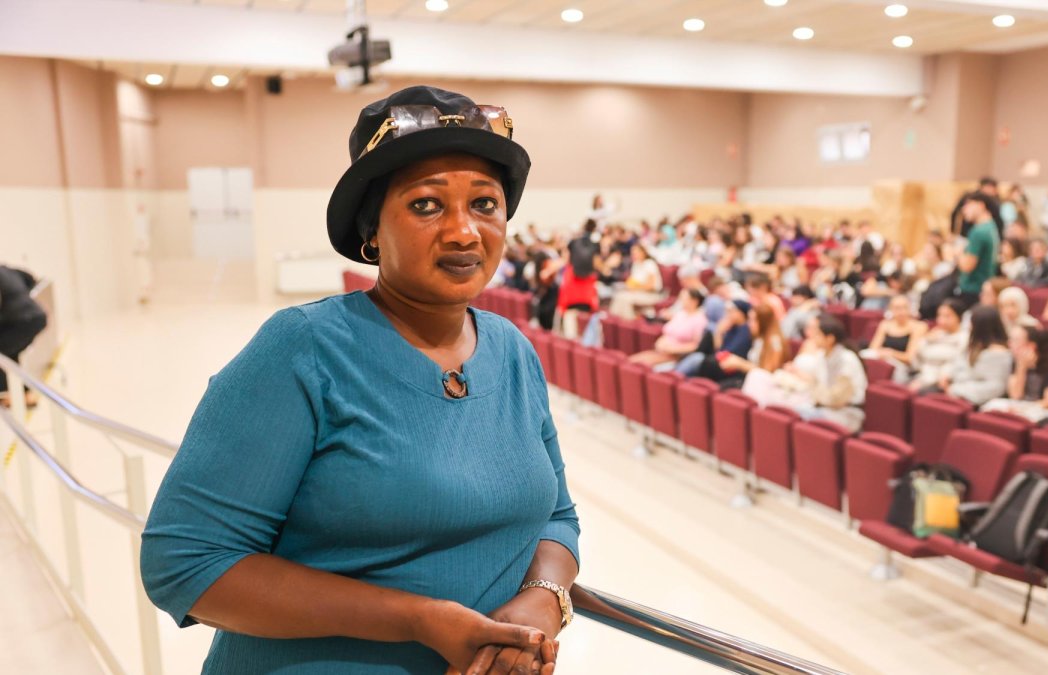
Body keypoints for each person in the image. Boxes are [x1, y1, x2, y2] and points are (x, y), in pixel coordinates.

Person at [141, 86, 580, 675]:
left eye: (485, 204)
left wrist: (543, 601)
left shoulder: (513, 352)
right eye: (426, 205)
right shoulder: (307, 348)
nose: (463, 231)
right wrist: (418, 619)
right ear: (371, 230)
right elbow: (186, 561)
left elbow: (557, 517)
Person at [741, 314, 868, 432]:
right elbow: (816, 384)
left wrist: (814, 391)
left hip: (846, 413)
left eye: (817, 334)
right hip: (824, 406)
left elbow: (836, 398)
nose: (812, 336)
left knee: (795, 415)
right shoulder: (823, 356)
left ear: (829, 339)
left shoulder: (846, 359)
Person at [696, 304, 788, 389]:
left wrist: (740, 364)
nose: (749, 324)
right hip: (747, 376)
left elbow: (767, 373)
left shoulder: (775, 341)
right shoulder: (759, 337)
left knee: (721, 388)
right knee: (709, 364)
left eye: (753, 320)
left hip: (760, 383)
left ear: (763, 322)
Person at [981, 325, 1048, 423]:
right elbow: (1016, 395)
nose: (1009, 344)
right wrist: (1021, 367)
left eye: (1015, 340)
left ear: (1031, 346)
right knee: (989, 407)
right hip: (1020, 405)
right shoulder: (1016, 361)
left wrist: (1023, 410)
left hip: (1038, 409)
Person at [935, 306, 1013, 406]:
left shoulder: (999, 354)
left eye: (971, 323)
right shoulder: (974, 343)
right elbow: (958, 362)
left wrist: (955, 389)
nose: (969, 326)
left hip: (975, 400)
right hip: (956, 388)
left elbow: (995, 388)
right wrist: (946, 375)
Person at [0, 265, 48, 408]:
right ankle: (24, 395)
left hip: (20, 321)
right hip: (36, 316)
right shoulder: (7, 270)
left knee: (2, 356)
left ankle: (9, 394)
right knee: (10, 354)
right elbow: (30, 279)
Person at [629, 288, 708, 368]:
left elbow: (696, 345)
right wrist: (660, 342)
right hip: (662, 352)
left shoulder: (700, 320)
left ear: (694, 301)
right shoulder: (681, 313)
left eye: (684, 298)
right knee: (631, 361)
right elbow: (668, 333)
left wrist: (673, 349)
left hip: (677, 357)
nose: (681, 301)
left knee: (639, 367)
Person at [861, 294, 927, 382]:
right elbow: (873, 348)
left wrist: (891, 353)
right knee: (864, 356)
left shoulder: (919, 326)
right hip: (882, 359)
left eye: (904, 307)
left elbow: (909, 357)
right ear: (891, 309)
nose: (901, 311)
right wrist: (884, 354)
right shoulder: (885, 324)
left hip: (903, 367)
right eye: (897, 308)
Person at [909, 299, 969, 390]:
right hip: (921, 374)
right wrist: (925, 340)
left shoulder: (964, 338)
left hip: (942, 381)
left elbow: (954, 363)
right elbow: (917, 356)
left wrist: (931, 351)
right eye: (939, 315)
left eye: (947, 316)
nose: (941, 320)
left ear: (959, 317)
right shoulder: (936, 334)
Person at [954, 191, 1001, 308]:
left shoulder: (979, 232)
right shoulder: (991, 226)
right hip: (983, 286)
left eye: (967, 205)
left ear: (980, 205)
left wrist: (957, 253)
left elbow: (967, 266)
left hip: (973, 289)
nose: (964, 210)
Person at [608, 243, 663, 319]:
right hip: (636, 292)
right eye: (633, 254)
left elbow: (651, 286)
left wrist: (635, 288)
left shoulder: (650, 264)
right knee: (618, 296)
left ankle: (629, 322)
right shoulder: (635, 264)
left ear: (643, 252)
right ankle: (614, 322)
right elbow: (632, 281)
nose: (634, 255)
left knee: (625, 299)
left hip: (650, 294)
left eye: (636, 253)